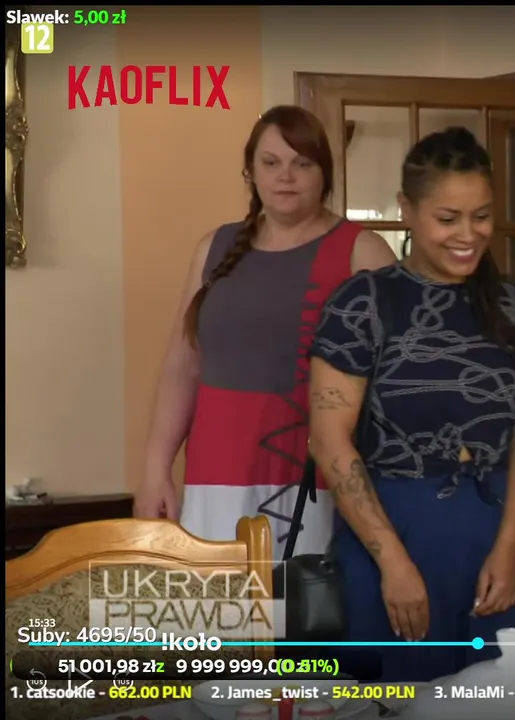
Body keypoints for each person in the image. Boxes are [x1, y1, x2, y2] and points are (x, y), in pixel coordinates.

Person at [308, 127, 515, 682]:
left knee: (499, 697)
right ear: (407, 210)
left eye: (481, 216)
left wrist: (509, 547)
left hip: (490, 533)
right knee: (394, 699)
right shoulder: (363, 302)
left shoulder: (511, 306)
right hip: (392, 532)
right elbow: (329, 441)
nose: (468, 234)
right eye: (448, 218)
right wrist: (392, 561)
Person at [134, 105, 397, 555]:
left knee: (303, 598)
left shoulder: (363, 252)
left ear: (324, 173)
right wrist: (155, 471)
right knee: (220, 597)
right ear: (251, 172)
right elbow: (182, 366)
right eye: (271, 162)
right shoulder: (214, 248)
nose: (285, 176)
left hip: (316, 477)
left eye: (302, 163)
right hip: (215, 474)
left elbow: (395, 383)